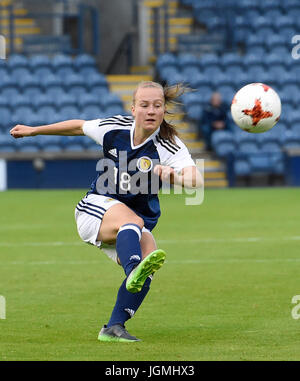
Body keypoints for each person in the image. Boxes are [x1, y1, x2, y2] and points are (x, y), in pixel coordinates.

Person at [10, 81, 203, 343]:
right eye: (144, 105)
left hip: (129, 227)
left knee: (150, 257)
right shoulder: (114, 128)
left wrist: (174, 176)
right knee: (133, 232)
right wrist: (35, 131)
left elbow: (196, 180)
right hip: (94, 210)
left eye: (157, 105)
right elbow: (79, 126)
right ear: (133, 108)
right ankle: (133, 268)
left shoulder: (170, 146)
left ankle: (114, 327)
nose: (151, 110)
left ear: (164, 110)